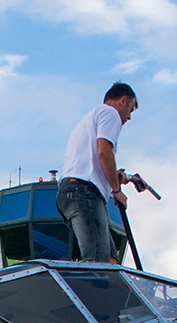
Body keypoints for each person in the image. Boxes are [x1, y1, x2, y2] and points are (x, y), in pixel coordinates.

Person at [57, 83, 139, 263]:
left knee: (110, 259)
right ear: (123, 101)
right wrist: (116, 190)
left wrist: (116, 177)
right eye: (130, 109)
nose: (129, 117)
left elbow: (96, 162)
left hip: (70, 193)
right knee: (96, 262)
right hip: (84, 193)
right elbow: (104, 152)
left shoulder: (89, 120)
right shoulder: (110, 113)